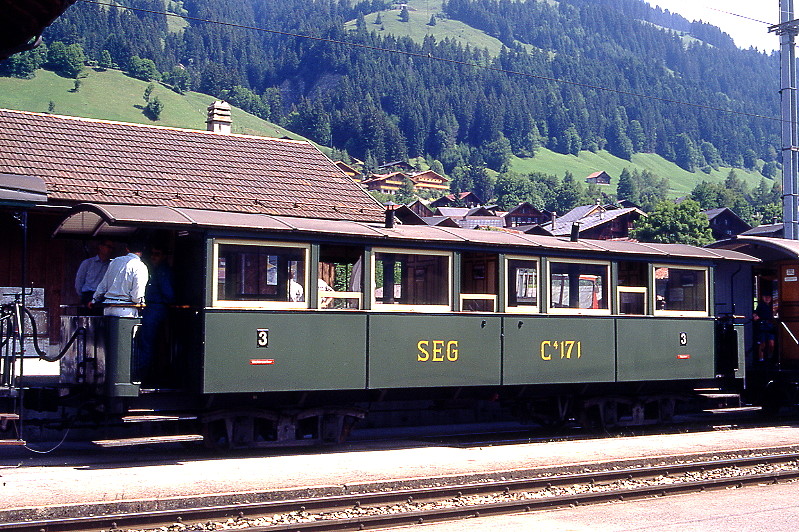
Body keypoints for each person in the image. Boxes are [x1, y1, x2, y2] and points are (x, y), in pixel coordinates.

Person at [138, 245, 175, 385]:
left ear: (164, 256)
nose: (154, 256)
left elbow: (168, 293)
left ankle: (143, 377)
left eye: (157, 254)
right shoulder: (156, 270)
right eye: (152, 254)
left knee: (147, 343)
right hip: (155, 308)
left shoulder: (162, 271)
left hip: (156, 309)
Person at [90, 239, 149, 317]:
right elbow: (137, 291)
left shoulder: (114, 261)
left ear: (127, 249)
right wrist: (139, 302)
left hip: (109, 307)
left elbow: (103, 285)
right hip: (126, 309)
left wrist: (94, 300)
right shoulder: (140, 266)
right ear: (142, 250)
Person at [74, 239, 114, 309]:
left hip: (103, 296)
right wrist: (83, 297)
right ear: (100, 247)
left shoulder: (111, 265)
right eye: (108, 246)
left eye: (112, 248)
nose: (110, 250)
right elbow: (79, 281)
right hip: (89, 295)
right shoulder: (88, 263)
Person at [753, 293, 776, 363]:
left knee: (771, 343)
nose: (767, 299)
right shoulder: (760, 305)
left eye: (769, 297)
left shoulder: (773, 305)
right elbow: (755, 314)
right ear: (763, 297)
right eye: (766, 297)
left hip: (770, 326)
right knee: (762, 343)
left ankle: (770, 357)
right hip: (762, 325)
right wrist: (756, 317)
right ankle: (761, 358)